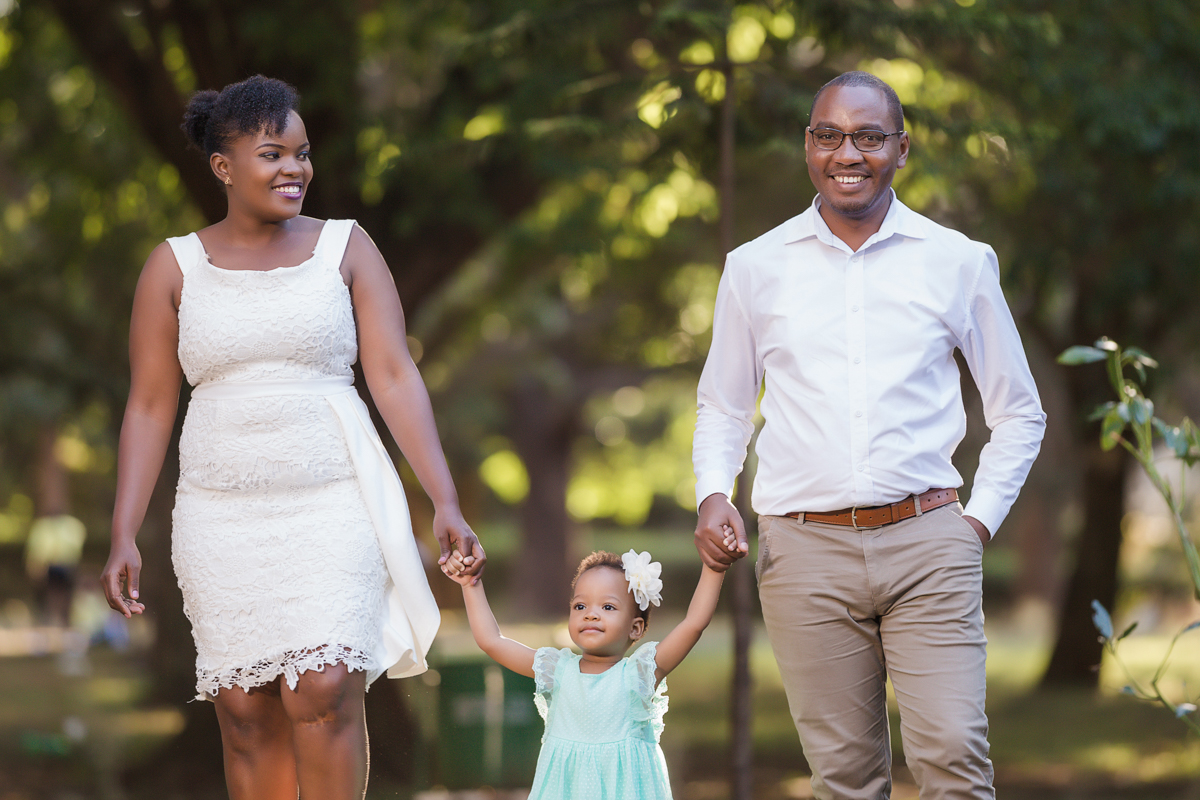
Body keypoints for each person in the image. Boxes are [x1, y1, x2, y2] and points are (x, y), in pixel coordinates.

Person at [100, 75, 485, 799]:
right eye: (273, 153)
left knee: (324, 686)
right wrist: (124, 531)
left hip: (332, 498)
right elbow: (149, 407)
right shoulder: (173, 267)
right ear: (223, 166)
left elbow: (395, 376)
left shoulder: (347, 248)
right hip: (219, 513)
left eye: (303, 154)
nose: (296, 169)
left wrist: (444, 498)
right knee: (245, 711)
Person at [692, 71, 1046, 799]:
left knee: (953, 757)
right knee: (844, 778)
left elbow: (1019, 412)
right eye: (829, 135)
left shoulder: (959, 261)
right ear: (808, 146)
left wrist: (972, 527)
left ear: (901, 149)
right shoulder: (754, 268)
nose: (846, 153)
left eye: (868, 136)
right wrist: (711, 494)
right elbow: (724, 407)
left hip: (928, 543)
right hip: (803, 551)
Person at [441, 548, 725, 799]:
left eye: (608, 606)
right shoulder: (557, 671)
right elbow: (492, 641)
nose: (590, 614)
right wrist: (471, 585)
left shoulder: (639, 673)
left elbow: (693, 624)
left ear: (635, 628)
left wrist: (714, 568)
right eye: (580, 606)